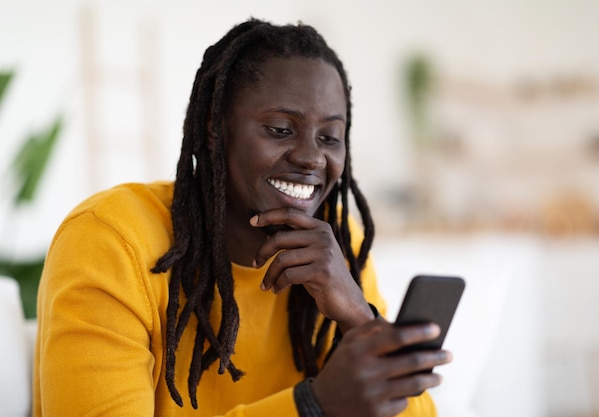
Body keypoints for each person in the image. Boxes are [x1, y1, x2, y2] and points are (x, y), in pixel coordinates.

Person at [32, 18, 452, 417]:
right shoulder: (109, 240)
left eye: (330, 137)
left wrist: (360, 320)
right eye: (281, 129)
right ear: (216, 127)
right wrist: (313, 405)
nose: (310, 157)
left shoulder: (339, 248)